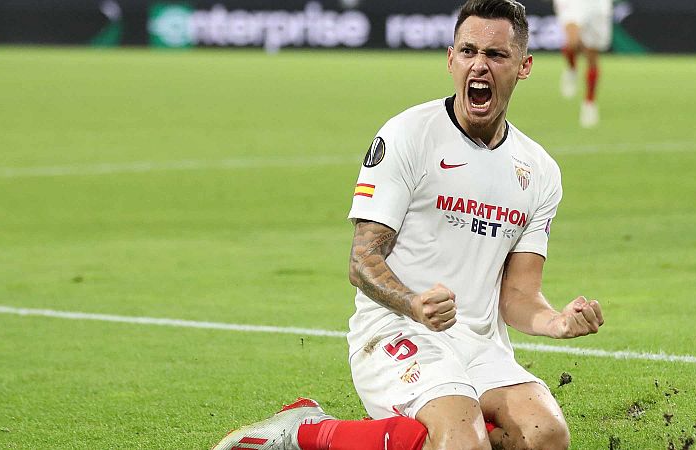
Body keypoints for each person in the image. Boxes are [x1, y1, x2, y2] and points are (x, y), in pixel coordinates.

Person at [212, 1, 604, 449]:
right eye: (468, 51)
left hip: (478, 346)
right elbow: (362, 260)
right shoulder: (408, 135)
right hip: (395, 330)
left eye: (496, 55)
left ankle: (420, 432)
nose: (479, 65)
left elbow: (518, 295)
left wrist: (556, 322)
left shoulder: (539, 170)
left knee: (546, 436)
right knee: (462, 441)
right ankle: (305, 431)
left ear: (524, 66)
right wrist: (414, 304)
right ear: (450, 59)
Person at [553, 0, 613, 128]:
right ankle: (572, 68)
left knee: (592, 56)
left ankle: (589, 102)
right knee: (572, 42)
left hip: (597, 5)